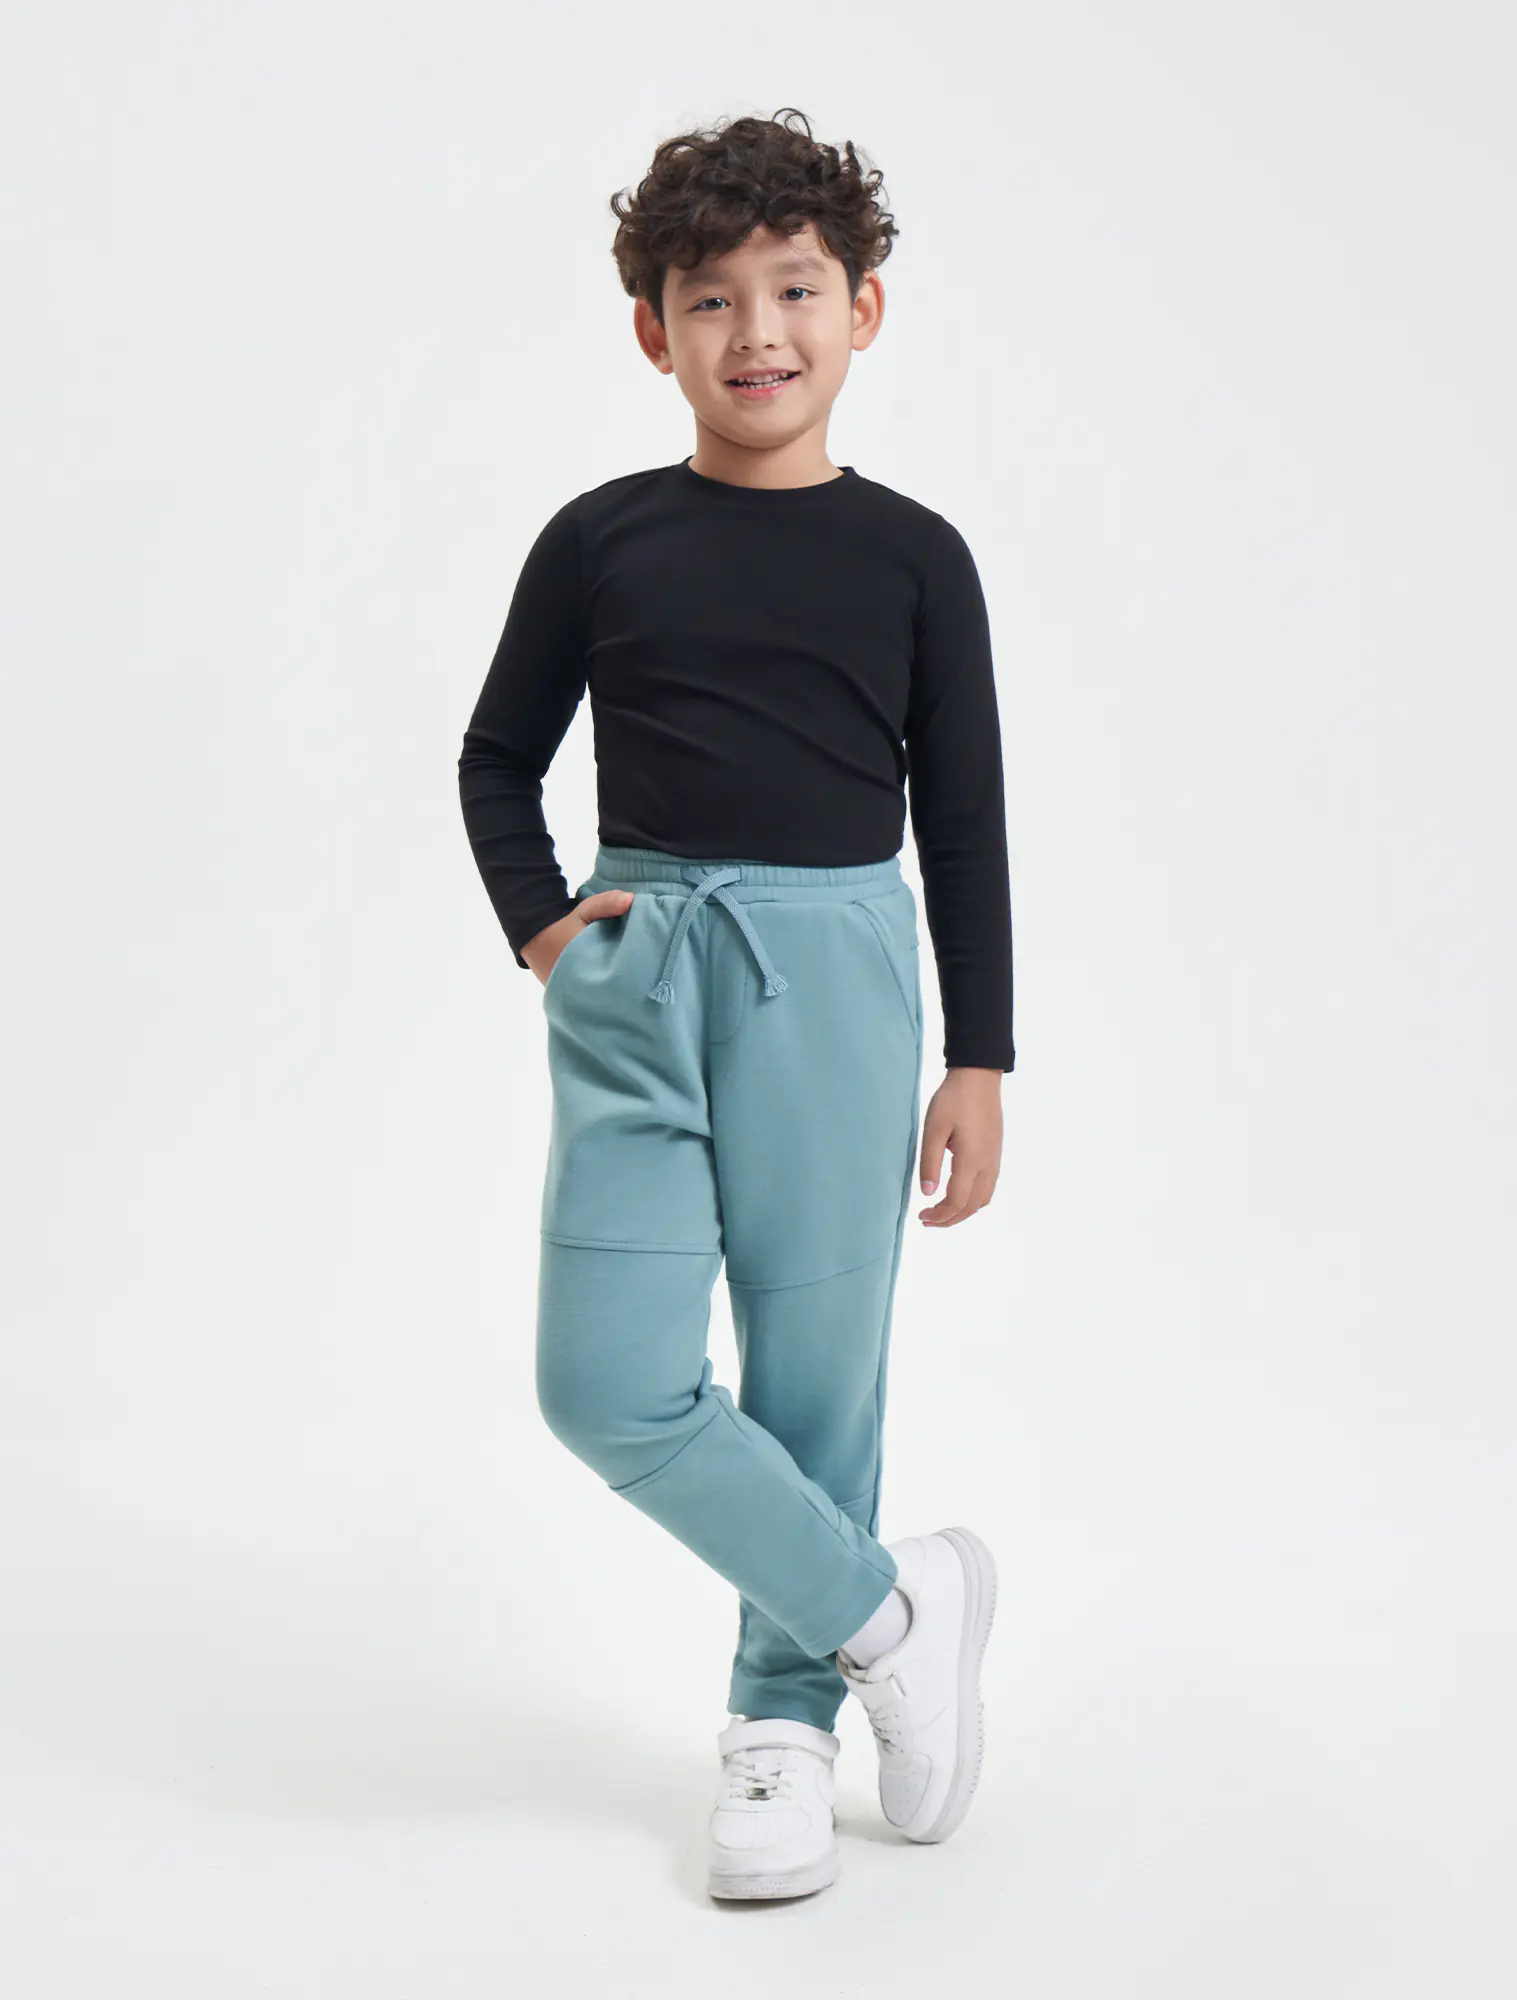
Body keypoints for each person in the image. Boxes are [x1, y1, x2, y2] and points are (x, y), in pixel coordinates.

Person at [457, 107, 1013, 1902]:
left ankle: (783, 1724)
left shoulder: (916, 556)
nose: (756, 332)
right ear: (655, 332)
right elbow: (494, 758)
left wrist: (981, 1057)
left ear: (864, 309)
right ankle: (891, 1613)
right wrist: (550, 935)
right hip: (638, 972)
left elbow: (966, 816)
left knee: (815, 1372)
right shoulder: (600, 539)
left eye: (794, 290)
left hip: (835, 974)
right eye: (711, 299)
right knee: (606, 1380)